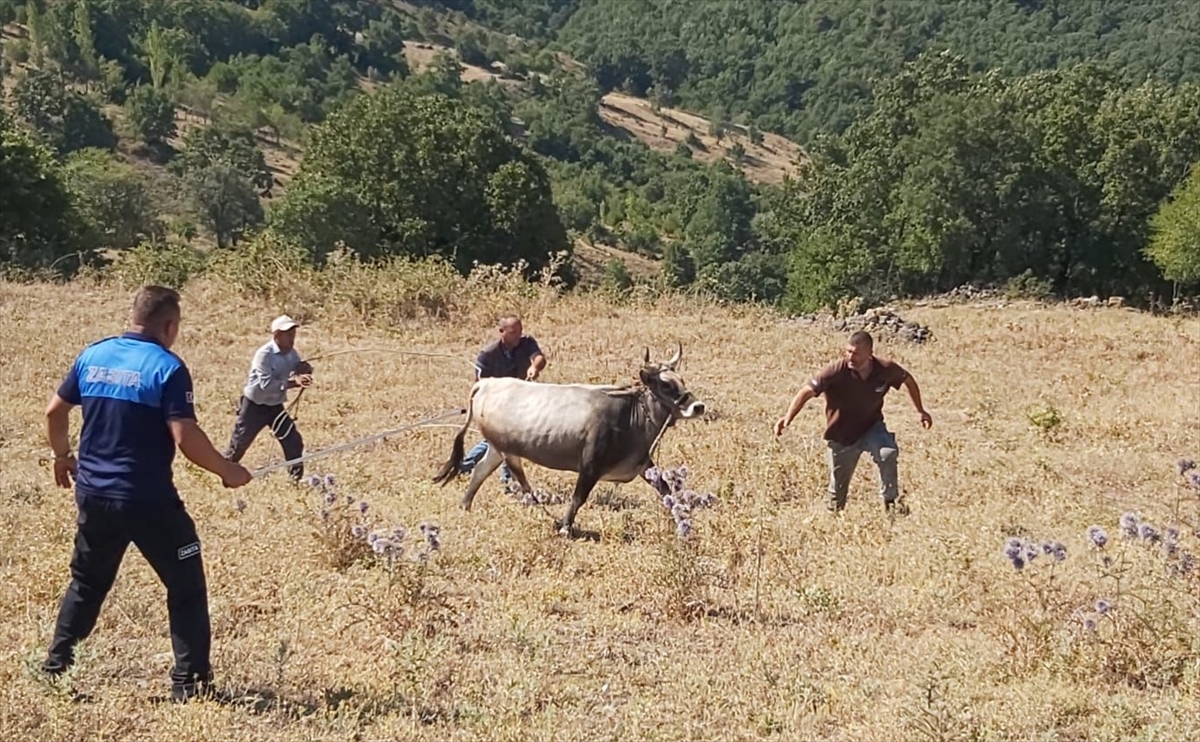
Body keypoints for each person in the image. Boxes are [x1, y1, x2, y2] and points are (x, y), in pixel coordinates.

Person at [42, 285, 253, 703]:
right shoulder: (167, 367)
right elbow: (185, 436)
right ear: (169, 325)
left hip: (94, 494)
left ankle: (55, 671)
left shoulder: (93, 355)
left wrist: (62, 455)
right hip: (148, 501)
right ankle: (189, 685)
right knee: (186, 585)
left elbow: (54, 411)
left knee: (86, 583)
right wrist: (227, 470)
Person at [774, 330, 932, 514]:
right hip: (842, 434)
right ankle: (834, 518)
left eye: (856, 353)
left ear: (869, 354)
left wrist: (920, 410)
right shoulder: (835, 371)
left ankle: (891, 504)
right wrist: (788, 418)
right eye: (848, 351)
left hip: (872, 427)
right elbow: (806, 392)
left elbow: (909, 380)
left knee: (888, 453)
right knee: (837, 494)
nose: (850, 356)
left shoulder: (885, 368)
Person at [459, 314, 547, 488]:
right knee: (504, 440)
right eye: (513, 332)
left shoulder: (526, 342)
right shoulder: (488, 355)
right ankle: (507, 479)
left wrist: (534, 367)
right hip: (497, 404)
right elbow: (480, 385)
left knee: (501, 440)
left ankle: (466, 466)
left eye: (520, 331)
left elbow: (539, 358)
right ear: (501, 332)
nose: (518, 336)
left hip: (520, 400)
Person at [223, 315, 313, 482]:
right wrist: (294, 382)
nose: (292, 338)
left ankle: (296, 480)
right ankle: (225, 474)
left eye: (293, 333)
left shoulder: (292, 354)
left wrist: (304, 370)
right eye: (287, 334)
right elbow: (266, 384)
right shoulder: (264, 354)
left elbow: (296, 371)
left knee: (293, 441)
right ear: (276, 335)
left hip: (275, 406)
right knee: (239, 444)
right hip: (254, 406)